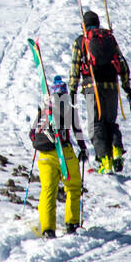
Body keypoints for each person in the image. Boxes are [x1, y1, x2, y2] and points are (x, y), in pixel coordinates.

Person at [68, 10, 131, 174]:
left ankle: (105, 162)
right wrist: (126, 86)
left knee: (96, 125)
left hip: (92, 87)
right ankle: (116, 150)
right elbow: (122, 62)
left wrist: (73, 89)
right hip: (112, 86)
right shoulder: (109, 39)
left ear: (84, 25)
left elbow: (75, 66)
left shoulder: (82, 41)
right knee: (110, 122)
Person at [29, 75, 87, 238]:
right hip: (65, 153)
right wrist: (83, 149)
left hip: (45, 156)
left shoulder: (44, 110)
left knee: (48, 191)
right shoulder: (69, 108)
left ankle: (48, 229)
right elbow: (77, 131)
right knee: (74, 188)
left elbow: (32, 134)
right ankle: (72, 223)